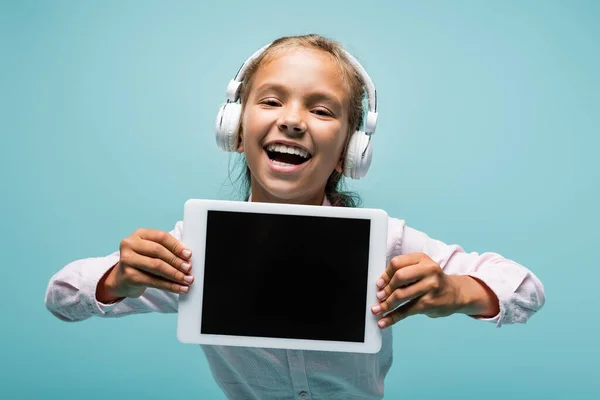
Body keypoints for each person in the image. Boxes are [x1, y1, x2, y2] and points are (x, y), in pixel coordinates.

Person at [45, 34, 545, 399]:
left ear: (352, 151)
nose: (291, 119)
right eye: (270, 101)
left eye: (323, 110)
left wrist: (456, 293)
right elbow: (63, 295)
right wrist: (119, 279)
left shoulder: (385, 243)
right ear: (235, 130)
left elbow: (525, 288)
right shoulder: (191, 248)